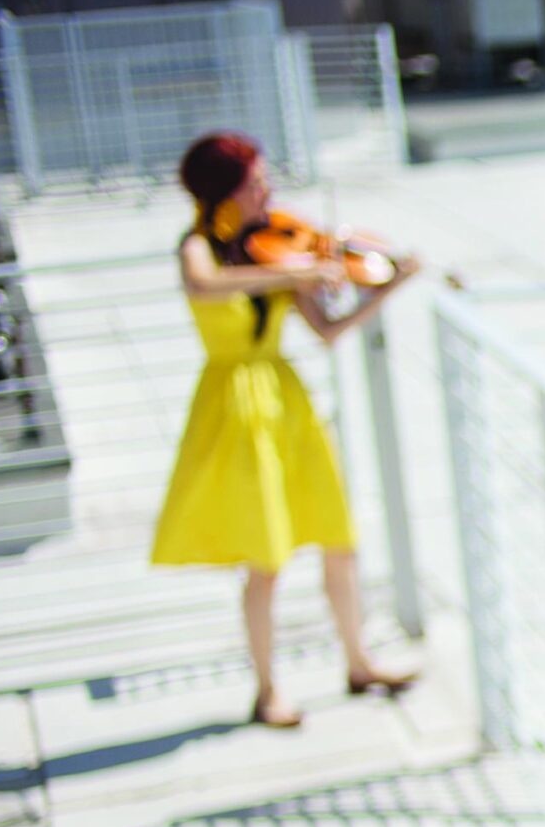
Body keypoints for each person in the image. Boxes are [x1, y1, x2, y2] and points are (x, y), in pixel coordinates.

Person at [151, 131, 418, 727]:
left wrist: (390, 283)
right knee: (265, 559)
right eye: (255, 182)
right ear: (223, 190)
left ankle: (359, 661)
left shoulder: (272, 246)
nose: (266, 191)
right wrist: (286, 273)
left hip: (286, 401)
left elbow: (327, 331)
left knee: (338, 540)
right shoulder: (199, 247)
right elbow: (202, 284)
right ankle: (268, 690)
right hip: (236, 406)